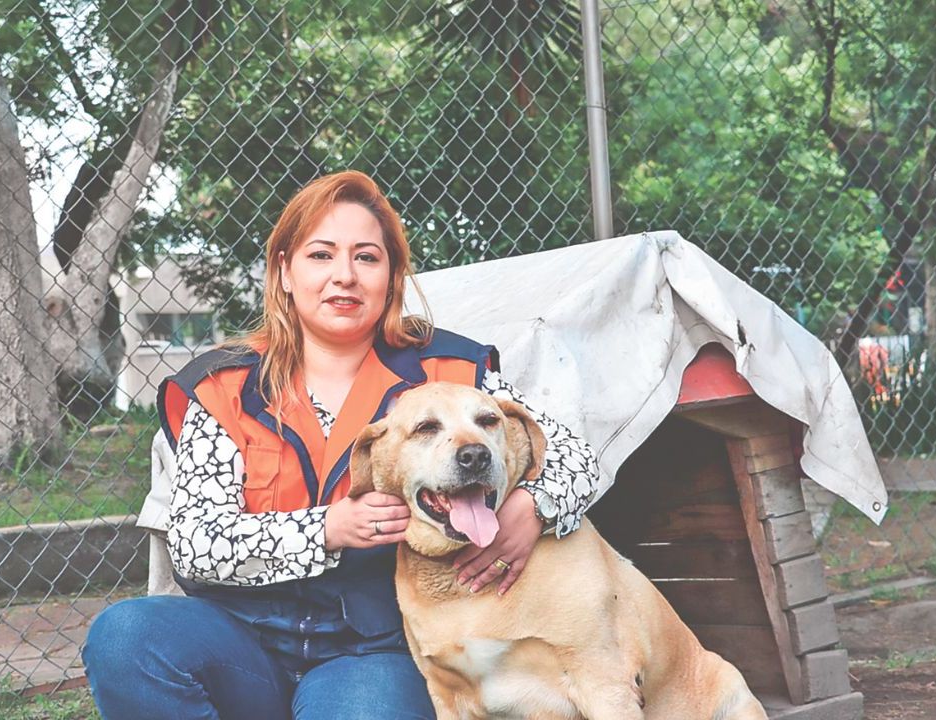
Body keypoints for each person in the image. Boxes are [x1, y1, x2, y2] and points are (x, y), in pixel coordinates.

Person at [83, 171, 602, 719]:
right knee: (125, 638)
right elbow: (196, 543)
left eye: (367, 258)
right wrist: (327, 528)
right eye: (321, 255)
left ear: (392, 276)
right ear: (284, 271)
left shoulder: (450, 370)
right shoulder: (223, 388)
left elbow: (575, 457)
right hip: (241, 639)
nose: (344, 277)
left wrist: (531, 508)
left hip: (372, 650)